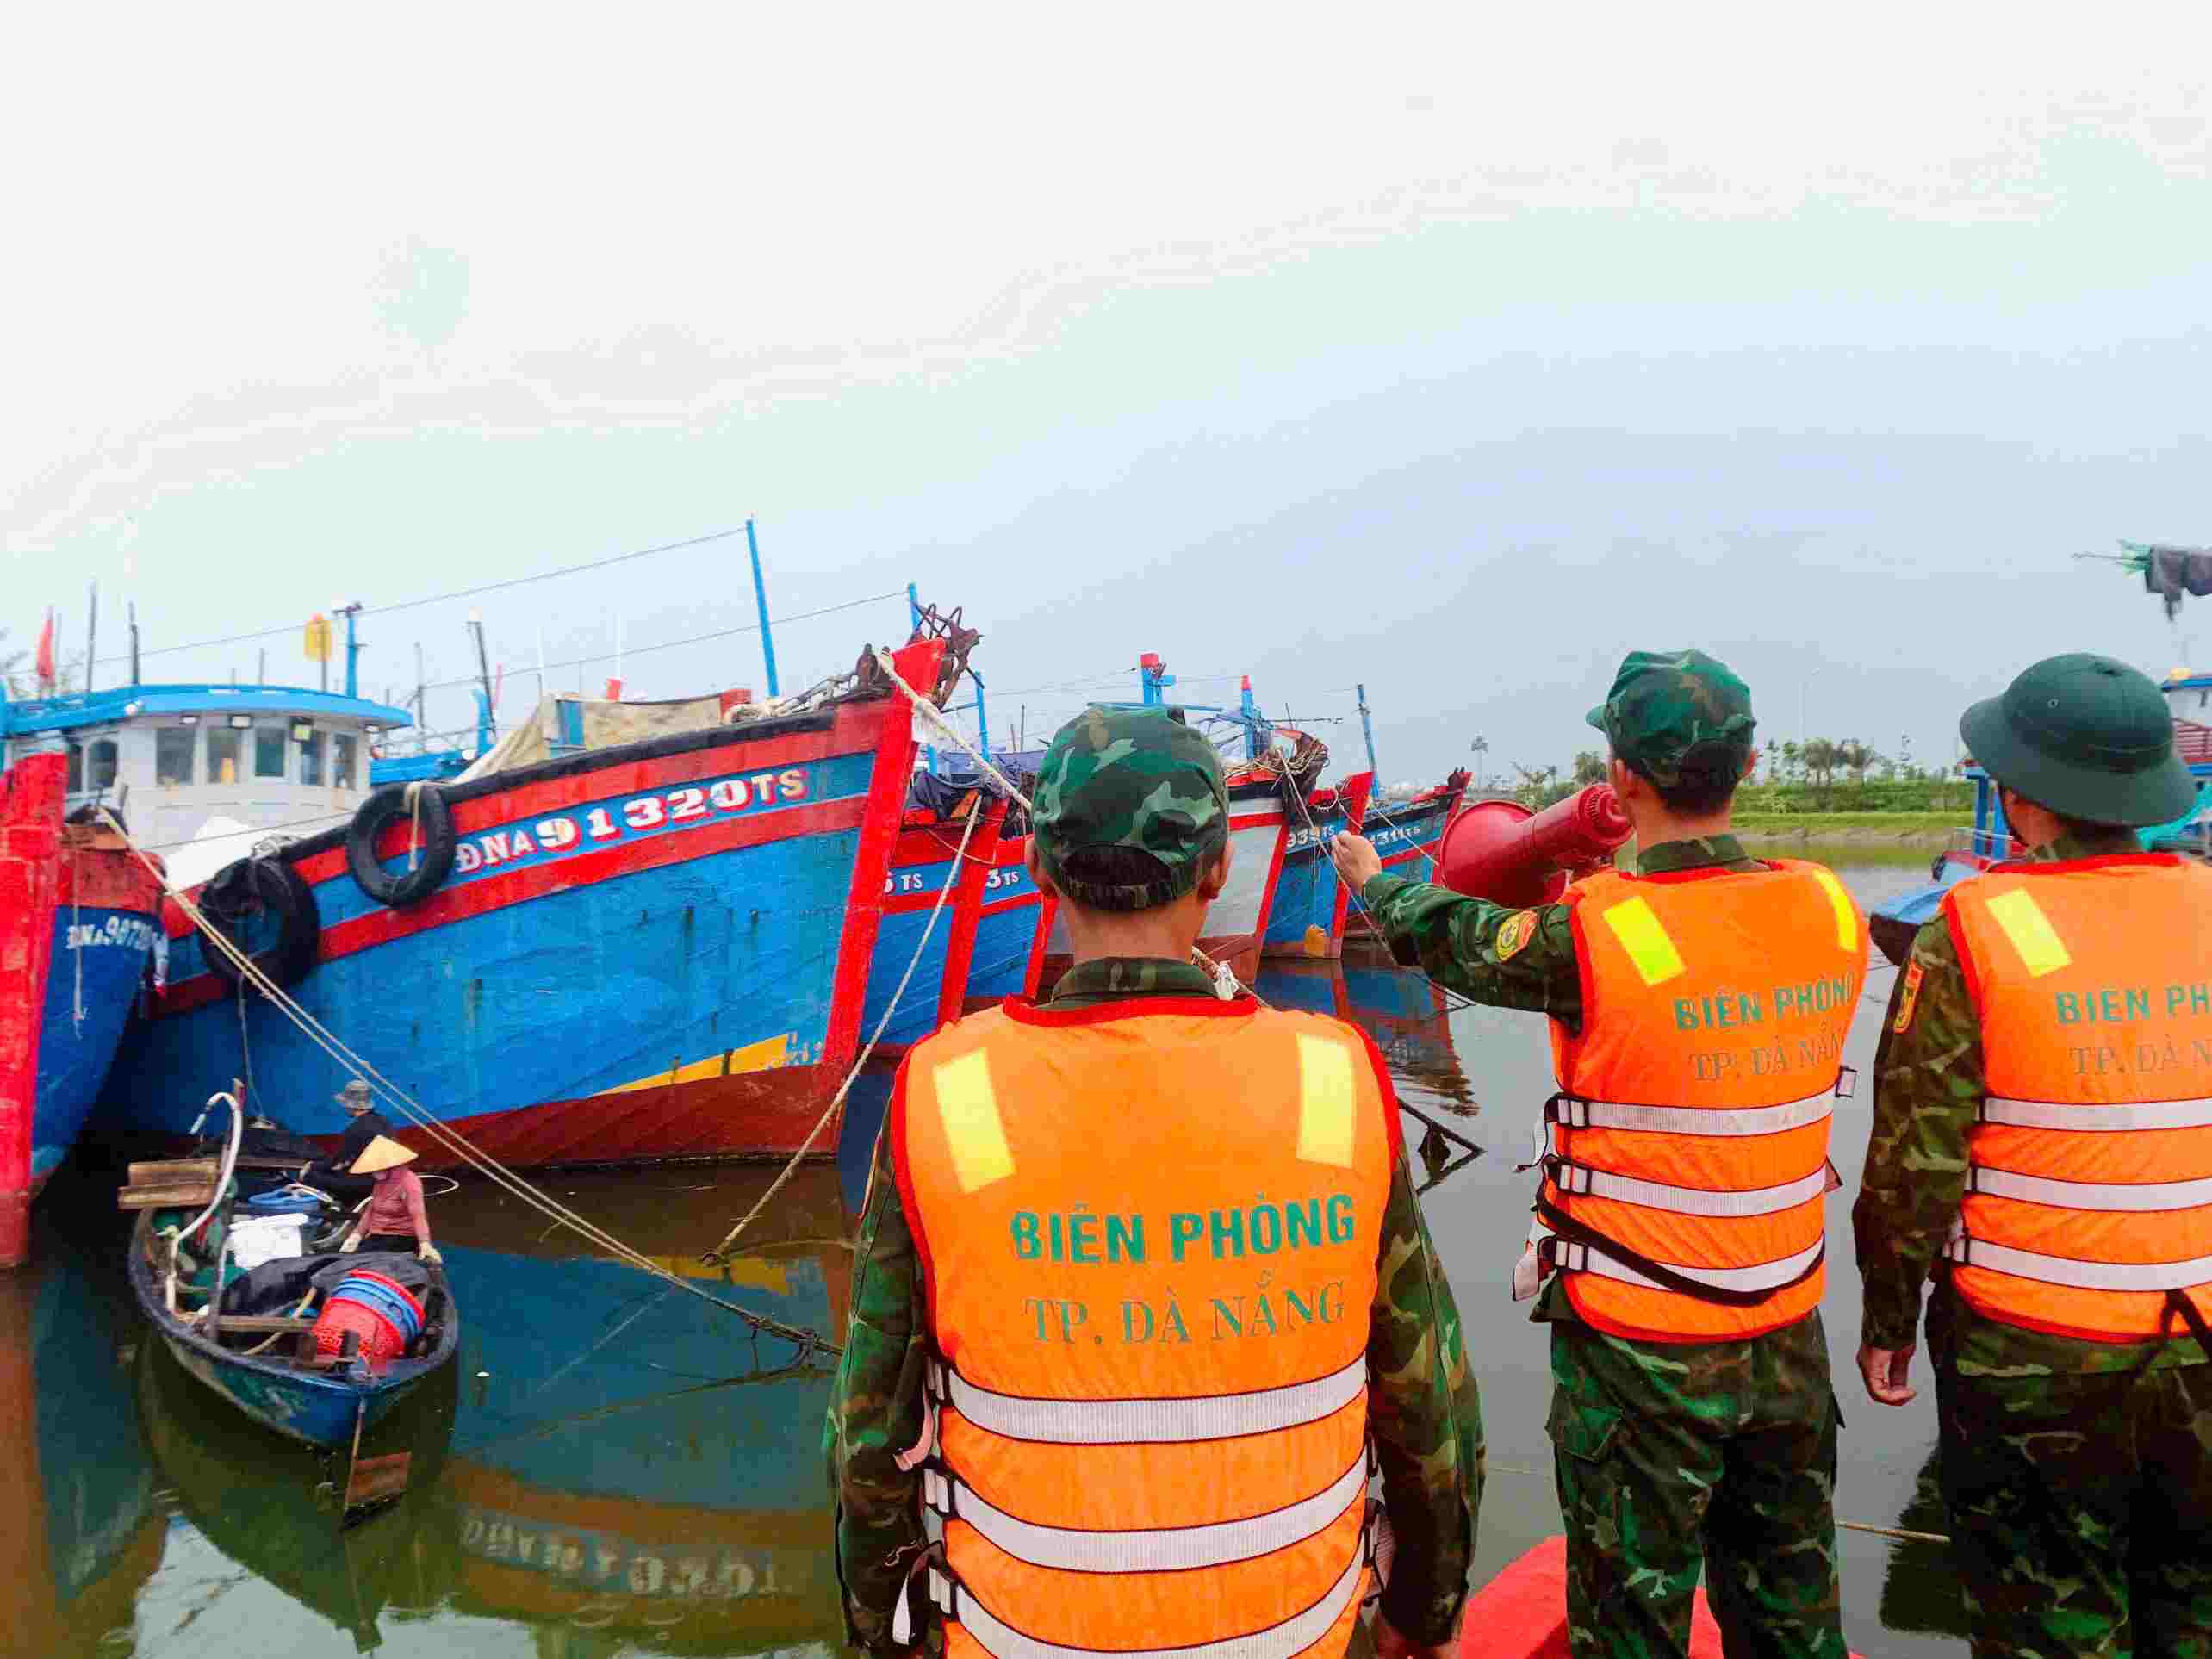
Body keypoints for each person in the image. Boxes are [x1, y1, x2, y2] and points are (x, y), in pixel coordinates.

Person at [827, 705, 1483, 1659]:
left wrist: (882, 1638)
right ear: (1219, 871)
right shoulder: (1334, 1080)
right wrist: (1423, 1620)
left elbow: (867, 1444)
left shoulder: (942, 1094)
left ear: (1042, 869)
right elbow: (1431, 1416)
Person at [1333, 649, 1864, 1659]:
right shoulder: (1828, 908)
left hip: (1638, 1348)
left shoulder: (1597, 933)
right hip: (1787, 1329)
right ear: (1746, 767)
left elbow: (1465, 936)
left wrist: (1375, 884)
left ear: (1619, 776)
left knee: (1633, 1612)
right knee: (1792, 1603)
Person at [1853, 652, 2212, 1656]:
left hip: (2036, 1357)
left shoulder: (1972, 930)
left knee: (2046, 1619)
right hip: (2206, 1346)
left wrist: (1887, 1317)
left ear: (2019, 797)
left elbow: (1913, 1163)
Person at [337, 1135, 442, 1263]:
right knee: (343, 1258)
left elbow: (418, 1216)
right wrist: (356, 1235)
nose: (373, 1172)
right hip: (378, 1235)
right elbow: (371, 1210)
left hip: (401, 1237)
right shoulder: (381, 1182)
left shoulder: (409, 1182)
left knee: (357, 1261)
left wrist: (425, 1243)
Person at [301, 1078, 393, 1196]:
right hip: (386, 1180)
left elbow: (337, 1162)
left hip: (366, 1184)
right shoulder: (385, 1121)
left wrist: (311, 1166)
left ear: (350, 1105)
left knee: (312, 1176)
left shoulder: (355, 1128)